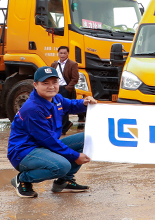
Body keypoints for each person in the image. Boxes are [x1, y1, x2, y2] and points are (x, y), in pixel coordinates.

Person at [8, 67, 95, 198]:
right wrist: (75, 156)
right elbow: (48, 140)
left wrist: (84, 103)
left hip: (44, 147)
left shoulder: (56, 99)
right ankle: (23, 179)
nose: (51, 86)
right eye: (45, 83)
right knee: (62, 166)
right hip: (24, 152)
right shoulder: (32, 109)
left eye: (54, 82)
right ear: (35, 85)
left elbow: (71, 105)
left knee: (87, 138)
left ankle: (64, 182)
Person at [53, 45, 80, 135]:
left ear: (68, 54)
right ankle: (64, 125)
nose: (62, 55)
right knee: (55, 108)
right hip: (55, 88)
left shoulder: (72, 64)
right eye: (61, 53)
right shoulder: (54, 64)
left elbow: (75, 79)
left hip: (65, 88)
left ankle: (63, 128)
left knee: (63, 109)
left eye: (64, 53)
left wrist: (67, 89)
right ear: (58, 54)